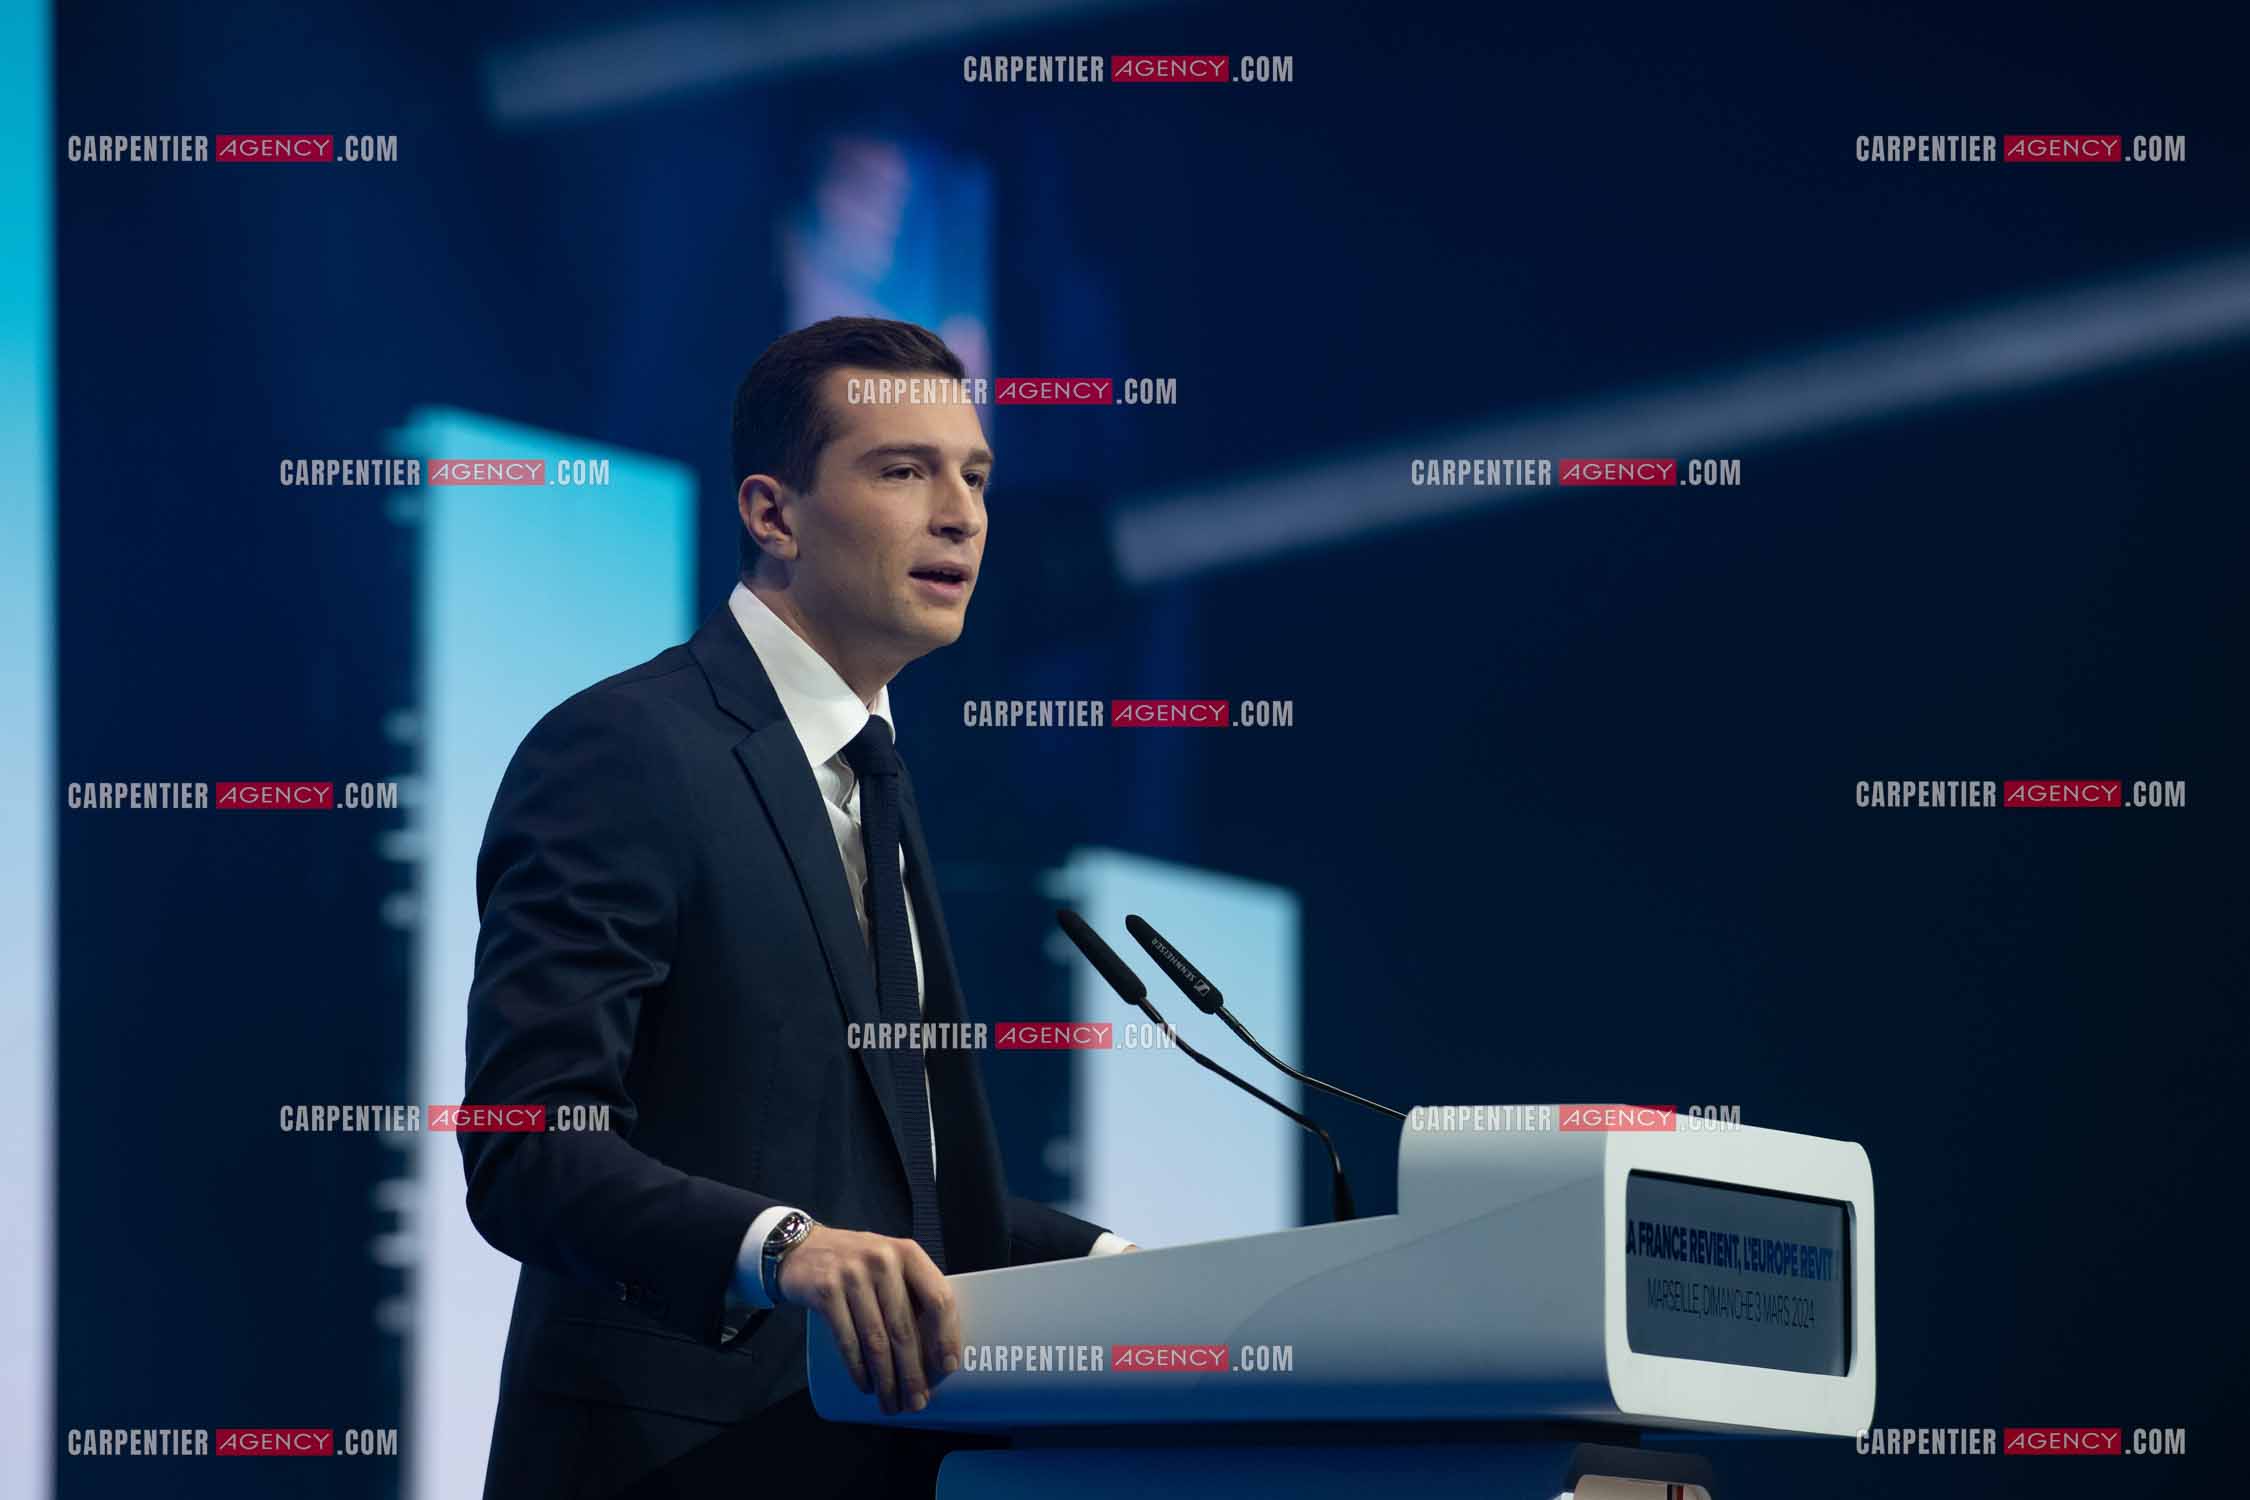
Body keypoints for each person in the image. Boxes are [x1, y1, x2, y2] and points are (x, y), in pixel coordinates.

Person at [460, 316, 1133, 1498]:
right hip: (670, 1464)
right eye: (903, 470)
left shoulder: (880, 779)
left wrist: (1119, 1267)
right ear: (772, 514)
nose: (961, 514)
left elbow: (898, 1207)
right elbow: (526, 1145)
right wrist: (780, 1250)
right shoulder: (626, 749)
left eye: (974, 475)